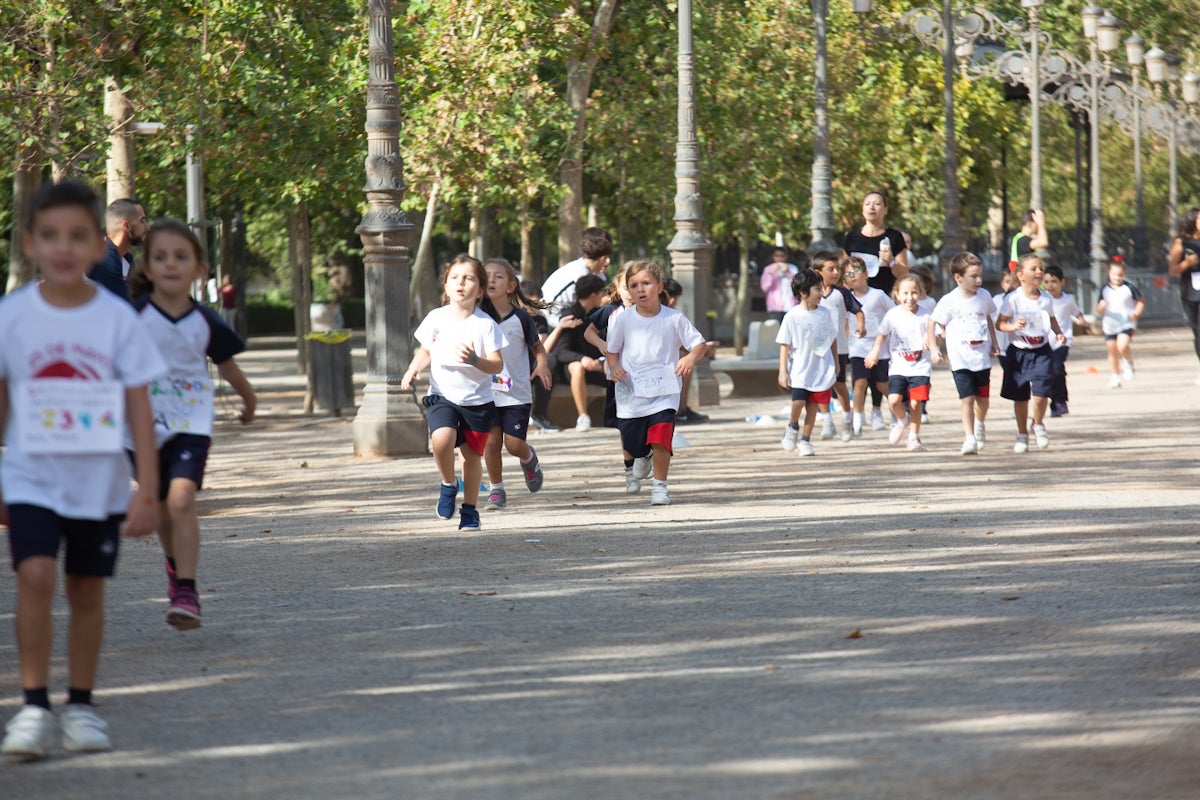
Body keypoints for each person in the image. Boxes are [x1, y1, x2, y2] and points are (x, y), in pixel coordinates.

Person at [0, 181, 164, 759]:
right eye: (51, 236)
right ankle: (34, 706)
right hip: (30, 476)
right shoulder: (11, 316)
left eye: (77, 236)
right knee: (36, 577)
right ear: (31, 243)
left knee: (86, 589)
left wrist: (147, 487)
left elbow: (139, 408)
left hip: (98, 481)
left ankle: (83, 705)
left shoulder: (116, 319)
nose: (64, 247)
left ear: (98, 244)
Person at [128, 219, 257, 630]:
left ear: (199, 268)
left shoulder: (205, 320)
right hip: (141, 426)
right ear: (146, 267)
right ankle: (173, 566)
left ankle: (186, 588)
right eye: (160, 257)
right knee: (164, 509)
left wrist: (250, 399)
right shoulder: (131, 318)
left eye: (180, 257)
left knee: (182, 500)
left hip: (190, 421)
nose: (170, 264)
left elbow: (227, 364)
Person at [400, 255, 507, 531]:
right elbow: (425, 350)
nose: (461, 283)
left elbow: (497, 364)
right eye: (455, 278)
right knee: (442, 439)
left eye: (469, 278)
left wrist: (475, 361)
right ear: (446, 287)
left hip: (477, 401)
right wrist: (413, 369)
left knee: (471, 457)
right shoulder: (436, 318)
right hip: (442, 395)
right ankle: (448, 483)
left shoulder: (485, 325)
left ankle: (470, 511)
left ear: (480, 290)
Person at [606, 260, 707, 505]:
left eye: (646, 283)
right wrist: (614, 366)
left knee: (661, 438)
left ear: (659, 286)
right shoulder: (623, 320)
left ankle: (660, 486)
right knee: (631, 441)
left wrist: (691, 357)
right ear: (628, 291)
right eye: (634, 285)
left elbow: (699, 344)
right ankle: (642, 455)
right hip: (632, 391)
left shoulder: (674, 319)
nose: (640, 289)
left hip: (665, 390)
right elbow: (612, 350)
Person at [481, 258, 550, 510]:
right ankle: (496, 490)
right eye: (486, 275)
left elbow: (537, 346)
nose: (491, 280)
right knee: (490, 442)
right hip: (485, 392)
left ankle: (528, 458)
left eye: (498, 276)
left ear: (511, 286)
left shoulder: (521, 317)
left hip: (516, 393)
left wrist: (541, 364)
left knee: (513, 444)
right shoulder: (476, 317)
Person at [928, 252, 999, 455]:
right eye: (973, 276)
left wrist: (994, 343)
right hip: (960, 359)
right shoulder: (949, 300)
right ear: (958, 278)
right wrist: (934, 348)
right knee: (967, 398)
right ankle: (969, 438)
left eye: (980, 276)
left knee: (983, 401)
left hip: (982, 358)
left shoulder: (984, 296)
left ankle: (980, 423)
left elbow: (988, 319)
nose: (979, 280)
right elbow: (933, 322)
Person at [996, 253, 1066, 453]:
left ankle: (1038, 424)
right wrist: (1012, 326)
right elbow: (999, 323)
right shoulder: (1013, 299)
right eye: (1033, 269)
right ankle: (1022, 434)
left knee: (1042, 393)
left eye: (1040, 269)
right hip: (1018, 352)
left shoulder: (1045, 298)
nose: (1039, 272)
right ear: (1020, 275)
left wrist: (1058, 333)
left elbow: (1051, 319)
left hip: (1041, 350)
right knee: (1020, 396)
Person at [865, 274, 934, 451]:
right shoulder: (892, 315)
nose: (909, 298)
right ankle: (902, 420)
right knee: (894, 400)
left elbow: (935, 335)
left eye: (914, 293)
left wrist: (932, 344)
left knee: (915, 403)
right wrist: (874, 351)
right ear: (896, 294)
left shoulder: (925, 315)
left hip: (920, 367)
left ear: (920, 293)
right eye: (905, 293)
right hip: (898, 367)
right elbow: (881, 335)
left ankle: (914, 436)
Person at [776, 269, 839, 457]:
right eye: (817, 289)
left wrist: (835, 362)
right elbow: (784, 345)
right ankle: (793, 426)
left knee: (812, 406)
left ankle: (805, 440)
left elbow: (831, 339)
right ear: (803, 293)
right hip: (800, 369)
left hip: (820, 368)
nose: (821, 293)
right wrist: (782, 371)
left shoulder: (825, 313)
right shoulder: (792, 316)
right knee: (798, 401)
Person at [540, 273, 609, 431]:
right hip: (566, 368)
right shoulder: (569, 315)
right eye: (602, 292)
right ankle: (583, 417)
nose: (604, 296)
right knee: (577, 366)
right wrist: (582, 358)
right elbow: (560, 351)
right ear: (593, 295)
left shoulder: (596, 314)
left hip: (592, 364)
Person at [813, 251, 863, 441]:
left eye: (837, 269)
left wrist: (861, 326)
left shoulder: (842, 293)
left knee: (838, 383)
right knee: (820, 385)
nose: (835, 273)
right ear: (818, 271)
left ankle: (847, 419)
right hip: (817, 348)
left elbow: (858, 310)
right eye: (830, 269)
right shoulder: (811, 293)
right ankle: (827, 421)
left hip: (839, 346)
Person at [843, 256, 893, 436]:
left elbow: (893, 313)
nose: (853, 276)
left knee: (881, 383)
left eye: (856, 271)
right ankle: (856, 418)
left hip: (879, 346)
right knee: (860, 382)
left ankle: (895, 411)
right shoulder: (846, 298)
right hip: (857, 346)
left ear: (866, 273)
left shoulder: (878, 294)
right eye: (848, 274)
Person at [661, 277, 716, 425]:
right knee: (683, 359)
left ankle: (682, 408)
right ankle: (678, 409)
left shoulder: (673, 316)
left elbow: (682, 342)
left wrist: (702, 349)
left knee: (686, 359)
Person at [540, 227, 613, 328]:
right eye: (606, 257)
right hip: (552, 320)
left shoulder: (594, 272)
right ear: (601, 258)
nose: (608, 261)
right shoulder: (580, 274)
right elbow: (596, 302)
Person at [842, 190, 909, 298]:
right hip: (857, 299)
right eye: (867, 204)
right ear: (863, 210)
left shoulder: (894, 236)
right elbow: (844, 271)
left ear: (885, 210)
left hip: (886, 297)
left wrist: (891, 261)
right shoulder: (851, 237)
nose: (871, 207)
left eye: (877, 204)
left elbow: (904, 274)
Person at [1042, 264, 1089, 416]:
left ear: (1062, 282)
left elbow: (1077, 312)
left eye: (1054, 281)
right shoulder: (1041, 299)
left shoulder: (1068, 299)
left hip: (1062, 341)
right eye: (1047, 281)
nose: (1050, 285)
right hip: (1043, 342)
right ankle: (1053, 403)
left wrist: (1081, 320)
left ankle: (1061, 400)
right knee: (1047, 373)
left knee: (1057, 369)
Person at [1096, 258, 1145, 389]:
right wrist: (1101, 307)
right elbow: (1098, 309)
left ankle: (1128, 361)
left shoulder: (1129, 288)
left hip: (1126, 323)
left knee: (1122, 346)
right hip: (1109, 325)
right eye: (1114, 274)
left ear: (1124, 274)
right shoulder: (1104, 289)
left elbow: (1140, 301)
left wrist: (1136, 313)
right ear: (1109, 273)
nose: (1117, 278)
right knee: (1112, 351)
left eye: (1120, 275)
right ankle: (1115, 376)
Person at [87, 198, 147, 301]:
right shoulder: (103, 257)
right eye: (142, 221)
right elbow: (125, 302)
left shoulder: (126, 259)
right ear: (126, 226)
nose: (148, 227)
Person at [1166, 207, 1200, 384]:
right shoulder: (1181, 242)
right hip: (1191, 291)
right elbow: (1172, 270)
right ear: (1193, 221)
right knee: (1198, 331)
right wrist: (1187, 262)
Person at [760, 247, 800, 322]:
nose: (779, 258)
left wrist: (788, 273)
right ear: (773, 256)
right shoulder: (768, 269)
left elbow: (798, 286)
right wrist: (771, 274)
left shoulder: (793, 268)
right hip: (774, 307)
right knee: (776, 331)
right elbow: (764, 288)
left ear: (786, 256)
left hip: (791, 306)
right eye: (777, 256)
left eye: (782, 256)